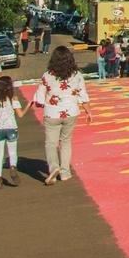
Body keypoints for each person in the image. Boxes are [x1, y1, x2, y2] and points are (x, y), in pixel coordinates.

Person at [31, 46, 91, 184]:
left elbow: (40, 95)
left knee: (51, 143)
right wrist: (88, 110)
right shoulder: (77, 75)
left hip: (52, 113)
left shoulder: (48, 75)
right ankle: (65, 172)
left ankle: (54, 167)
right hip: (71, 112)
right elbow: (82, 94)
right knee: (66, 142)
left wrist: (39, 103)